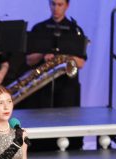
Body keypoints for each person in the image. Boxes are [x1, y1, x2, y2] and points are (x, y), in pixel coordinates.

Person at [26, 0, 87, 149]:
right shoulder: (39, 29)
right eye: (53, 4)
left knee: (68, 121)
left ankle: (72, 149)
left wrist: (65, 57)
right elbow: (29, 60)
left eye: (60, 5)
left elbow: (81, 63)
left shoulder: (75, 30)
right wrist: (42, 55)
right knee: (41, 122)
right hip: (43, 86)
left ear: (67, 6)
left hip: (67, 86)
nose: (56, 8)